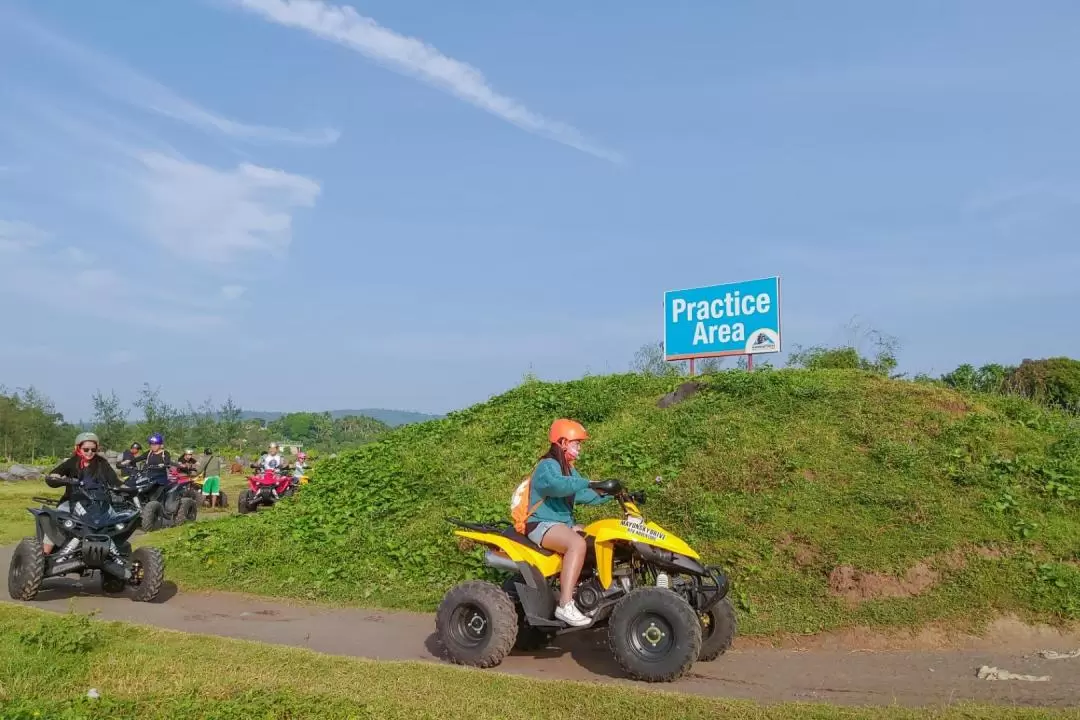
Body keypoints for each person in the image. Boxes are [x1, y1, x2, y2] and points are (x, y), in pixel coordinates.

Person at [510, 419, 612, 627]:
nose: (579, 447)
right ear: (563, 442)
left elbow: (583, 494)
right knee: (576, 544)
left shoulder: (569, 470)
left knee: (597, 538)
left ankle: (589, 596)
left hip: (558, 525)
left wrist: (613, 494)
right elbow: (558, 486)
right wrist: (589, 482)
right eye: (577, 443)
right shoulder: (547, 466)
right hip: (540, 525)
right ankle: (565, 605)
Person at [43, 432, 121, 554]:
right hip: (72, 502)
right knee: (56, 519)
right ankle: (44, 556)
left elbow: (115, 481)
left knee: (117, 523)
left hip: (99, 504)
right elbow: (55, 474)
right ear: (78, 448)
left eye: (93, 449)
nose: (90, 452)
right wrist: (56, 477)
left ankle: (118, 555)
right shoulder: (72, 462)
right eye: (86, 449)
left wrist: (128, 487)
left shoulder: (102, 464)